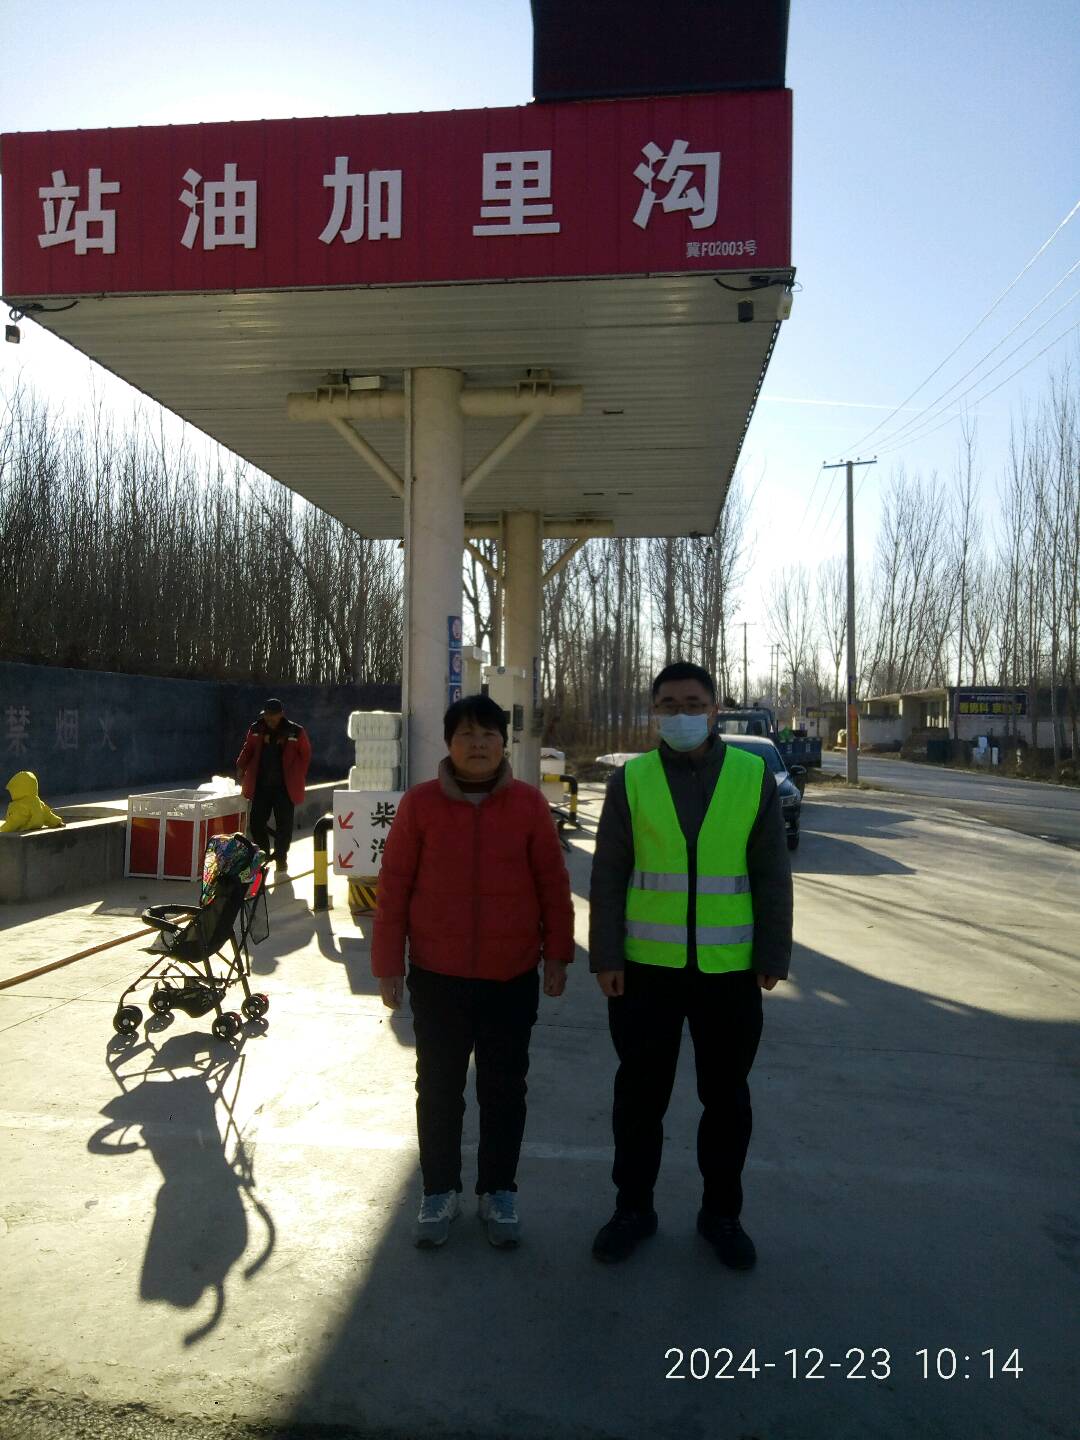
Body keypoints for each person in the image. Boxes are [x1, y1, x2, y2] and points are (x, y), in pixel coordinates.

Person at [589, 661, 792, 1268]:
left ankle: (722, 1215)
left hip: (729, 972)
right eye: (669, 705)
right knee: (638, 1099)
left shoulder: (752, 776)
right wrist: (606, 955)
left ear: (714, 709)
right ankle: (632, 1208)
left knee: (727, 1101)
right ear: (655, 712)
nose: (681, 715)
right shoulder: (632, 780)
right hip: (644, 972)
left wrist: (772, 952)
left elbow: (771, 872)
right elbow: (609, 873)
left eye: (693, 704)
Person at [372, 694, 574, 1250]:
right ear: (448, 743)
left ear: (503, 743)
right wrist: (388, 965)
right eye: (466, 734)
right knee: (438, 1089)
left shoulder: (529, 806)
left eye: (488, 734)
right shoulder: (420, 806)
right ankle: (439, 1191)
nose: (478, 744)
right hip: (438, 977)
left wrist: (558, 954)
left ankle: (498, 1191)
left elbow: (553, 885)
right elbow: (393, 889)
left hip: (511, 977)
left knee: (504, 1089)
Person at [236, 699, 311, 874]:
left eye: (273, 715)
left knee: (284, 825)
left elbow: (305, 755)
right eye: (267, 715)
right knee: (256, 823)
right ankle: (263, 855)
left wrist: (296, 774)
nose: (269, 719)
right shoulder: (256, 729)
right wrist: (241, 765)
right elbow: (248, 748)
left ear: (281, 714)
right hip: (262, 786)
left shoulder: (295, 731)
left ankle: (281, 858)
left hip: (284, 788)